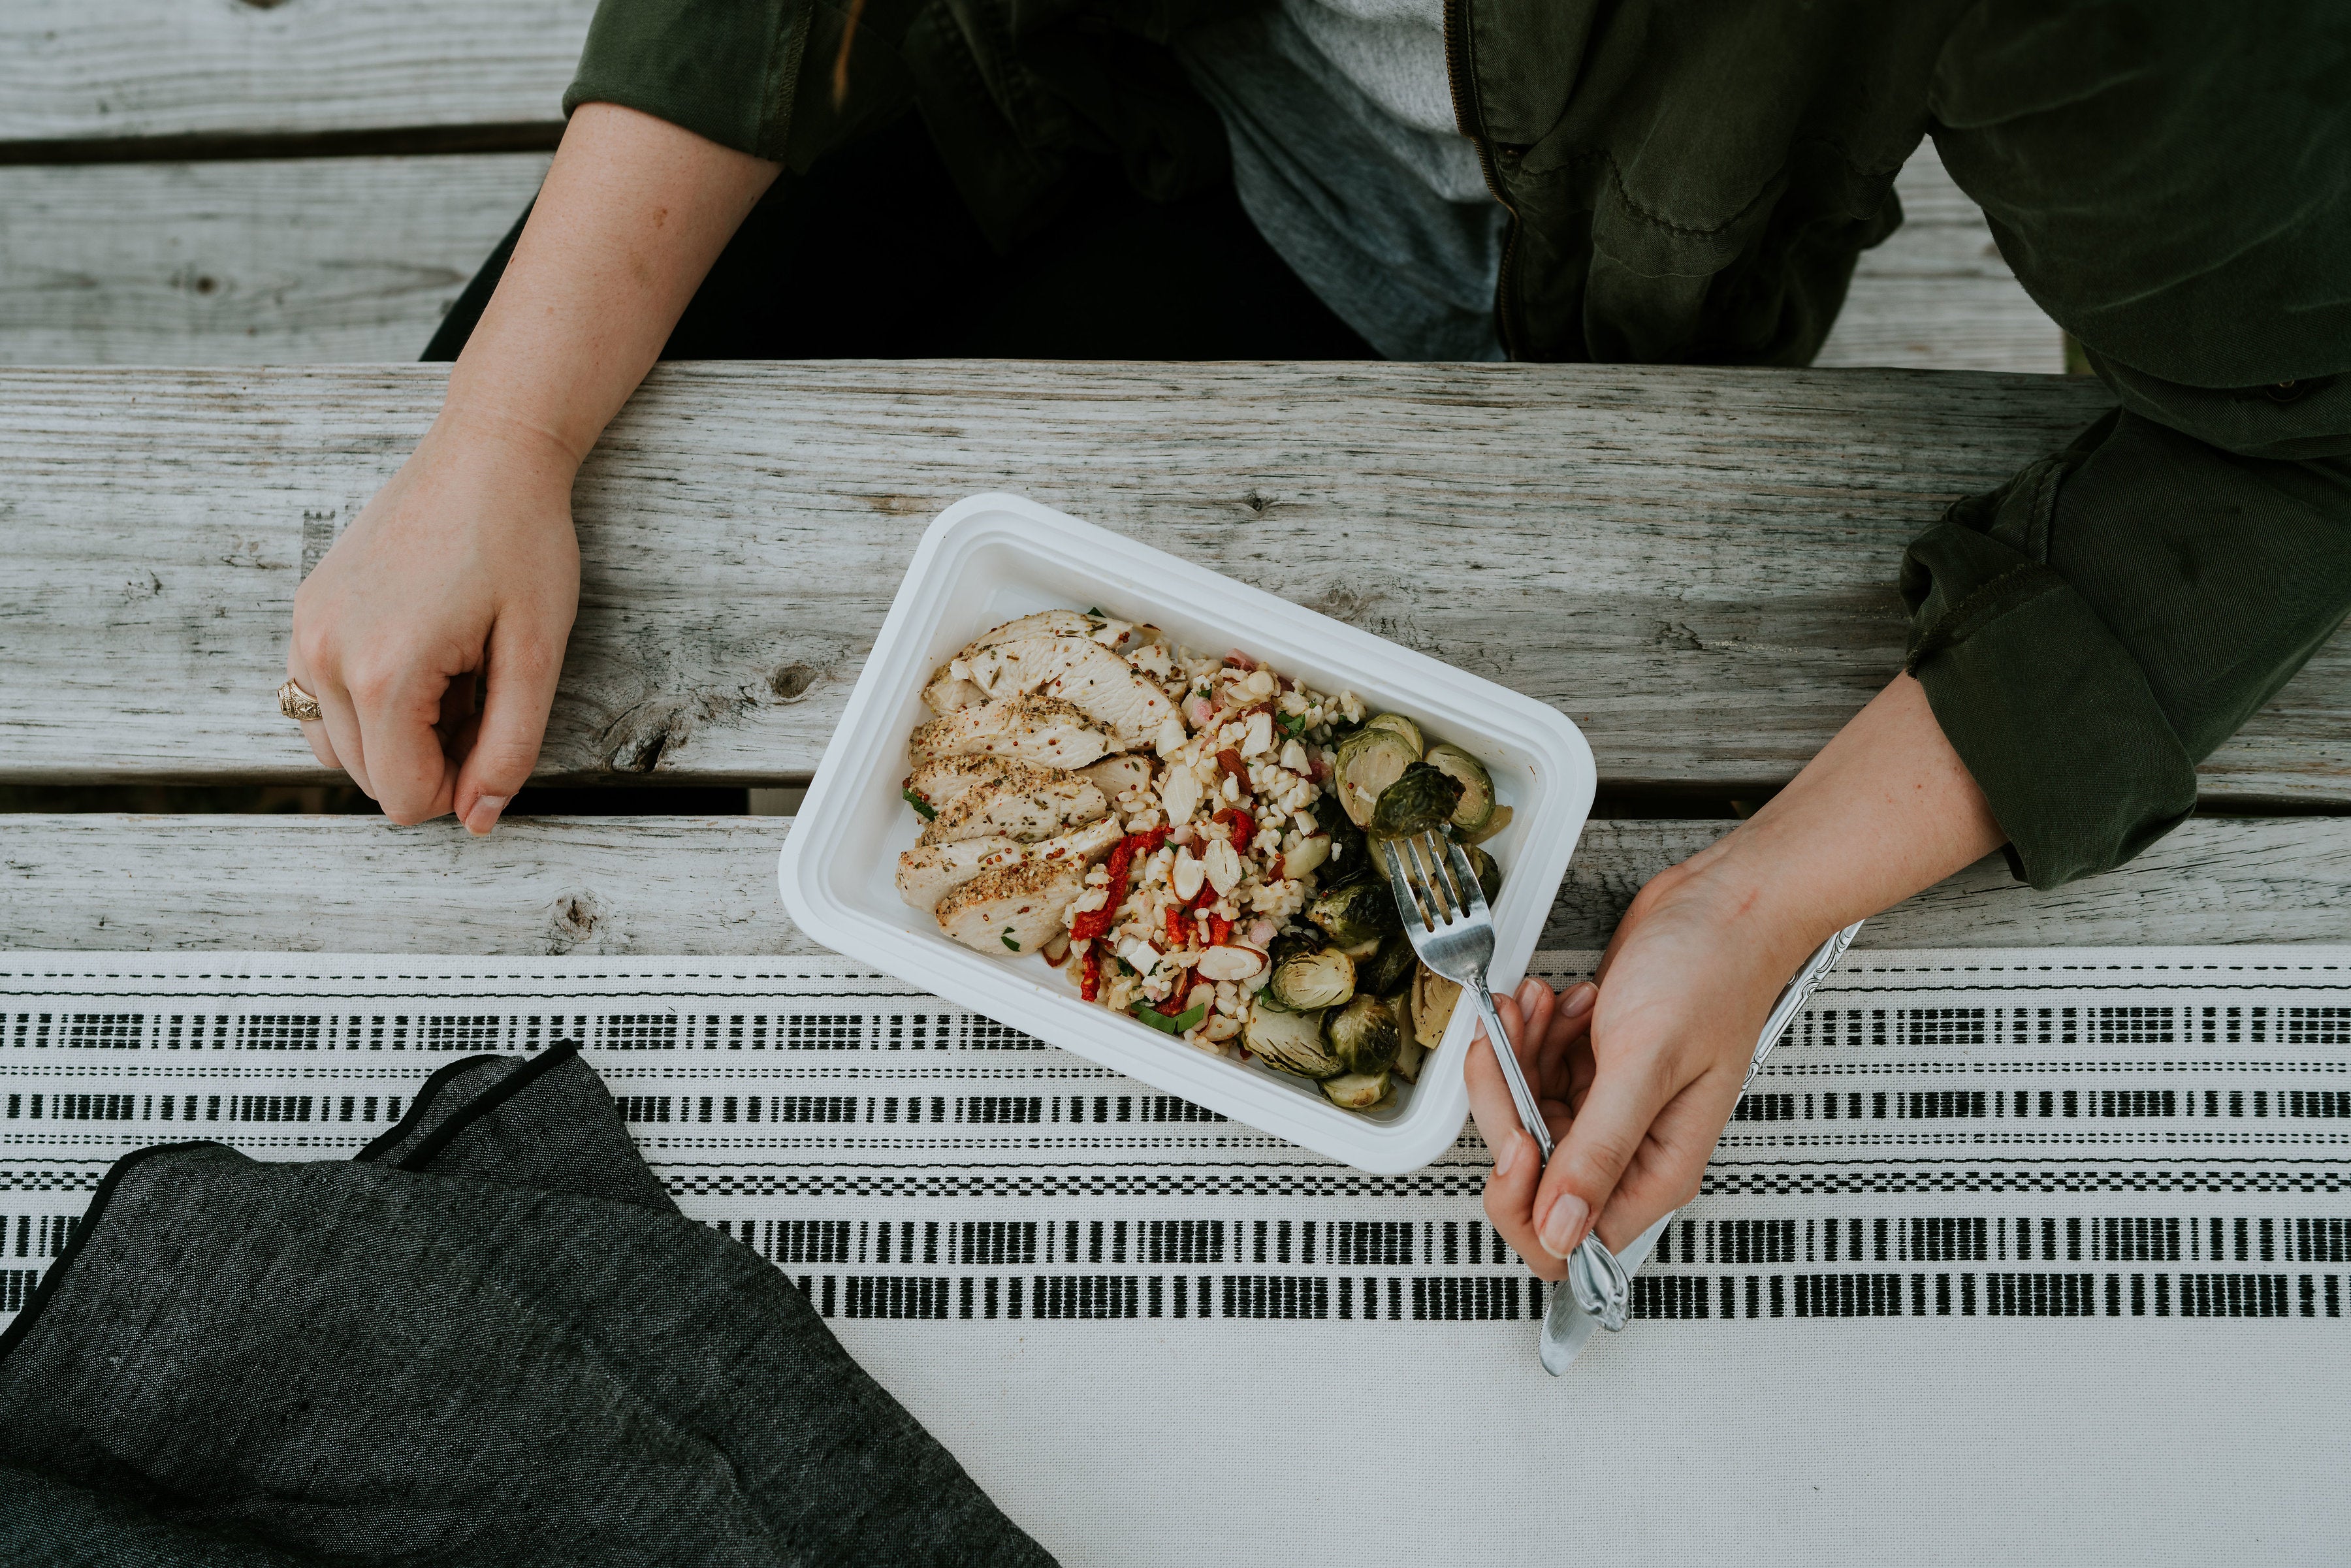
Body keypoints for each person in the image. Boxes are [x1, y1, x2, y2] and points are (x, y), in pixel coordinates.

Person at [284, 1, 2350, 1287]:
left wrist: (1760, 892)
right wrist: (504, 431)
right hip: (959, 65)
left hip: (1447, 331)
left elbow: (2303, 437)